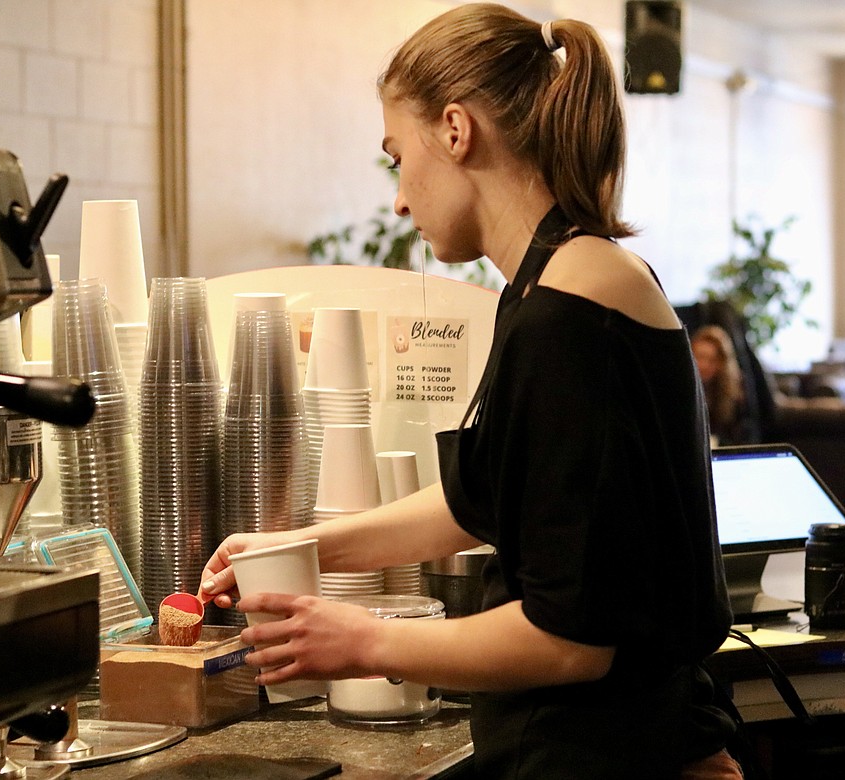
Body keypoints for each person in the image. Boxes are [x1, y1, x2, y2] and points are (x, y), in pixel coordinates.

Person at [200, 4, 740, 777]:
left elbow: (571, 642)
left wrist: (363, 641)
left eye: (397, 157)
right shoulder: (558, 285)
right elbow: (481, 497)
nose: (398, 198)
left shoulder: (570, 315)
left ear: (455, 130)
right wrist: (302, 548)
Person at [690, 324, 750, 446]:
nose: (704, 365)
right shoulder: (682, 391)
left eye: (712, 360)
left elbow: (741, 435)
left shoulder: (735, 391)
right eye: (700, 357)